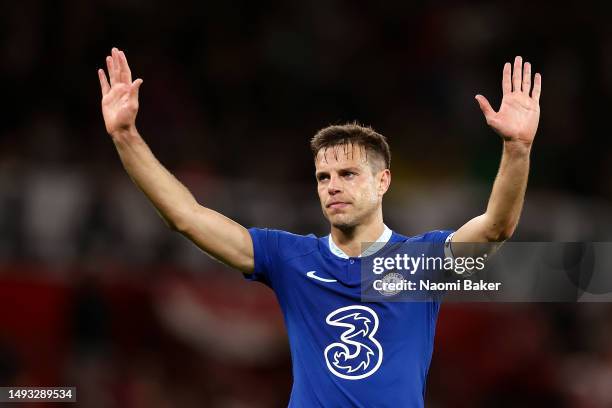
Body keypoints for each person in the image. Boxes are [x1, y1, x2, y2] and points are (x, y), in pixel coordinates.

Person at [97, 47, 541, 407]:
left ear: (382, 180)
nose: (332, 187)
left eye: (347, 175)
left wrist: (517, 149)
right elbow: (187, 216)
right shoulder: (288, 258)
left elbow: (495, 229)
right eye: (323, 178)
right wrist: (126, 137)